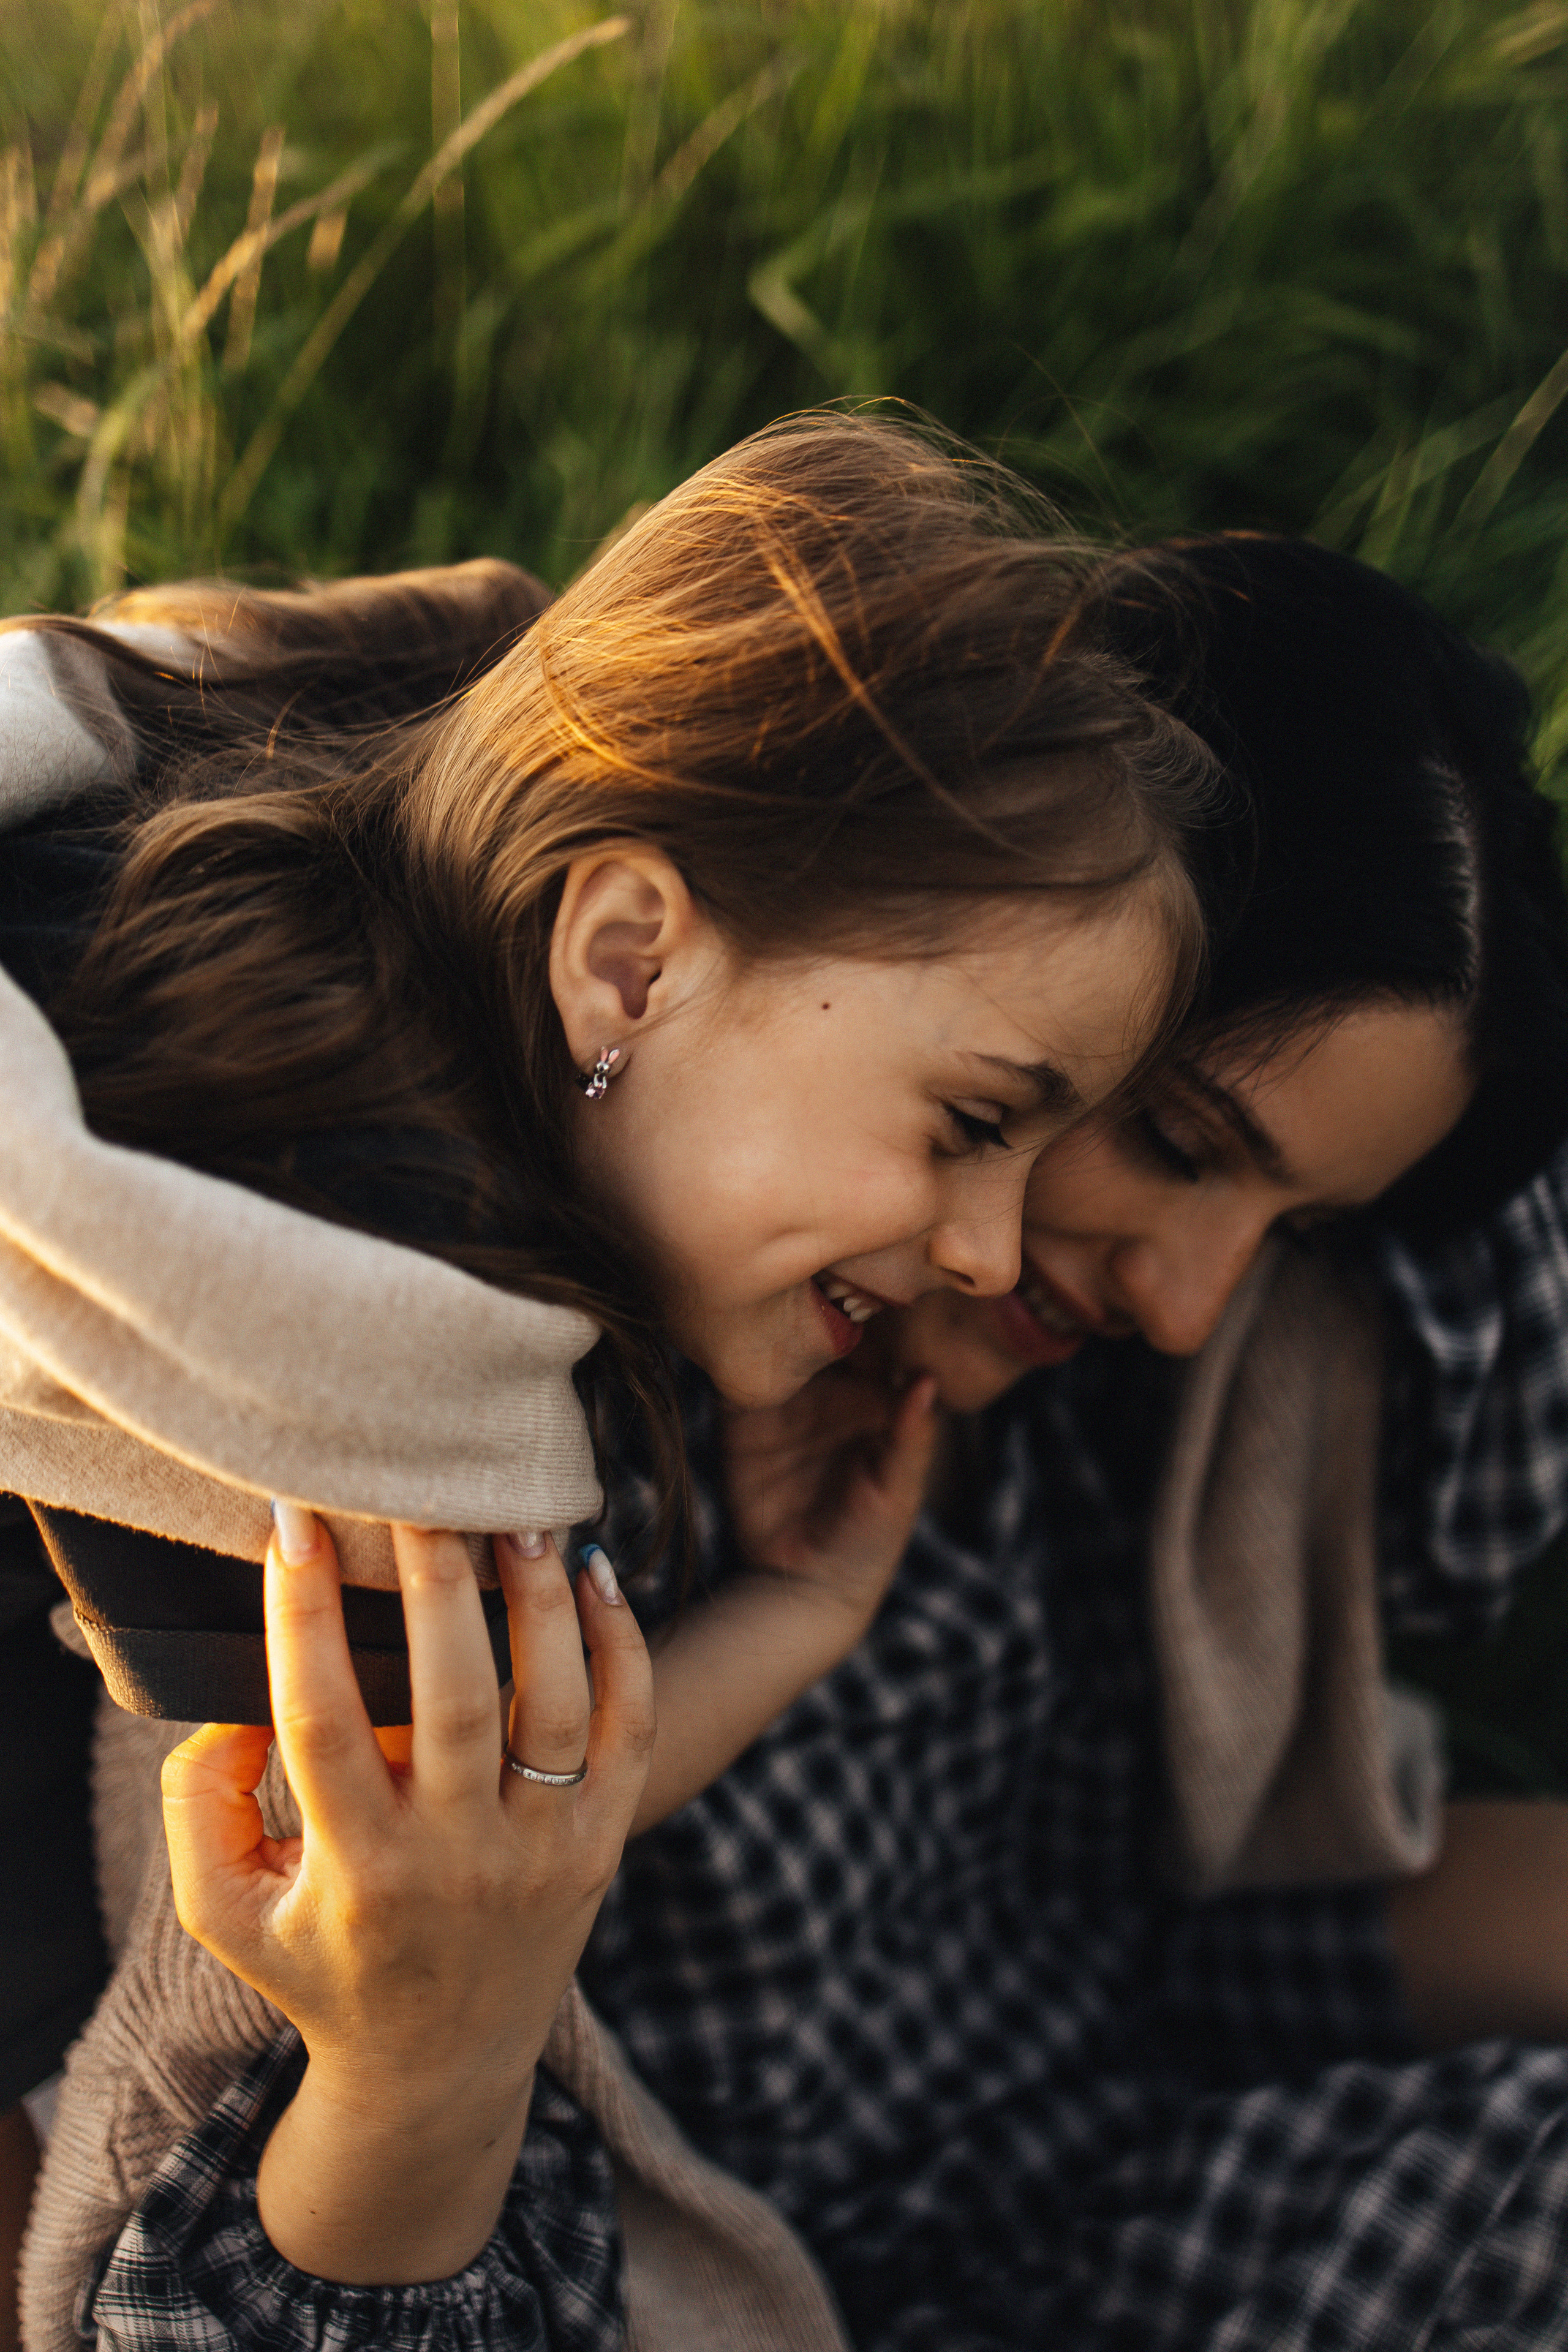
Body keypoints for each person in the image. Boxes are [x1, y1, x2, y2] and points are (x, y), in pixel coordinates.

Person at [72, 534, 1568, 2349]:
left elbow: (1144, 1936)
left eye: (1294, 1232)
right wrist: (434, 2056)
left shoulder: (1077, 1394)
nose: (1192, 1307)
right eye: (1170, 1137)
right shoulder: (465, 1461)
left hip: (1144, 2089)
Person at [0, 414, 1215, 2345]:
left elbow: (546, 1785)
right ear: (629, 964)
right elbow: (452, 1869)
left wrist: (806, 1606)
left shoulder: (226, 831)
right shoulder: (389, 1414)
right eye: (975, 1122)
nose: (988, 1249)